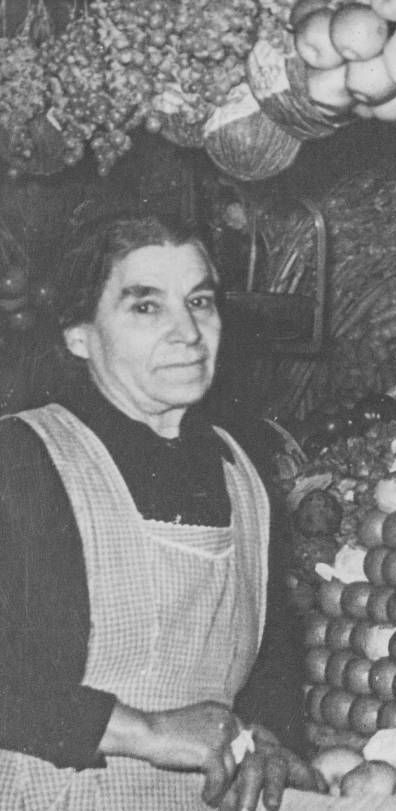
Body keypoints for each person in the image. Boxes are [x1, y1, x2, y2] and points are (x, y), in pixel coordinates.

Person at [0, 215, 322, 809]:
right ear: (79, 335)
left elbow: (269, 657)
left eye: (199, 301)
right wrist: (147, 731)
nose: (189, 333)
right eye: (146, 307)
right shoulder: (24, 460)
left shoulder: (244, 472)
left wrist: (269, 739)